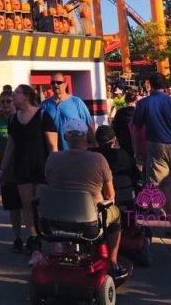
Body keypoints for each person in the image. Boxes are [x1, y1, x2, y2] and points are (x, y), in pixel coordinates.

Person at [45, 119, 127, 279]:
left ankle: (69, 253)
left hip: (57, 220)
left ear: (65, 137)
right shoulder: (98, 159)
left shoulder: (52, 159)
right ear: (86, 137)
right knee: (115, 214)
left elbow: (51, 185)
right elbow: (110, 195)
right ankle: (113, 261)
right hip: (90, 222)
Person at [0, 84, 58, 252]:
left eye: (16, 93)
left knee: (43, 205)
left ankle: (53, 239)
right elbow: (11, 143)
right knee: (27, 206)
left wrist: (54, 168)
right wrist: (3, 169)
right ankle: (34, 241)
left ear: (26, 96)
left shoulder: (42, 115)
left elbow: (52, 145)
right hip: (21, 167)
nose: (13, 96)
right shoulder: (13, 119)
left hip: (42, 167)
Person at [133, 73, 171, 236]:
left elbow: (136, 129)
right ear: (165, 85)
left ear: (150, 85)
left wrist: (137, 151)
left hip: (155, 146)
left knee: (162, 186)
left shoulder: (144, 103)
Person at [0, 90, 25, 252]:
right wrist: (1, 150)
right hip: (6, 169)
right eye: (2, 101)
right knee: (13, 206)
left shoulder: (22, 118)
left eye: (8, 101)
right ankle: (17, 237)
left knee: (28, 205)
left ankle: (32, 236)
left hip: (23, 167)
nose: (5, 104)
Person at [41, 73, 95, 150]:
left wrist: (95, 144)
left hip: (75, 151)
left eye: (59, 82)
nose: (55, 85)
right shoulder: (45, 104)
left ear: (65, 84)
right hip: (53, 153)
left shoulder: (76, 102)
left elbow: (89, 125)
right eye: (53, 83)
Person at [112, 91, 138, 160]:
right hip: (137, 138)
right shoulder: (139, 111)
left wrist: (119, 137)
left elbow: (115, 126)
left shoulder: (120, 112)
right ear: (135, 100)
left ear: (125, 100)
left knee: (126, 158)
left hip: (124, 138)